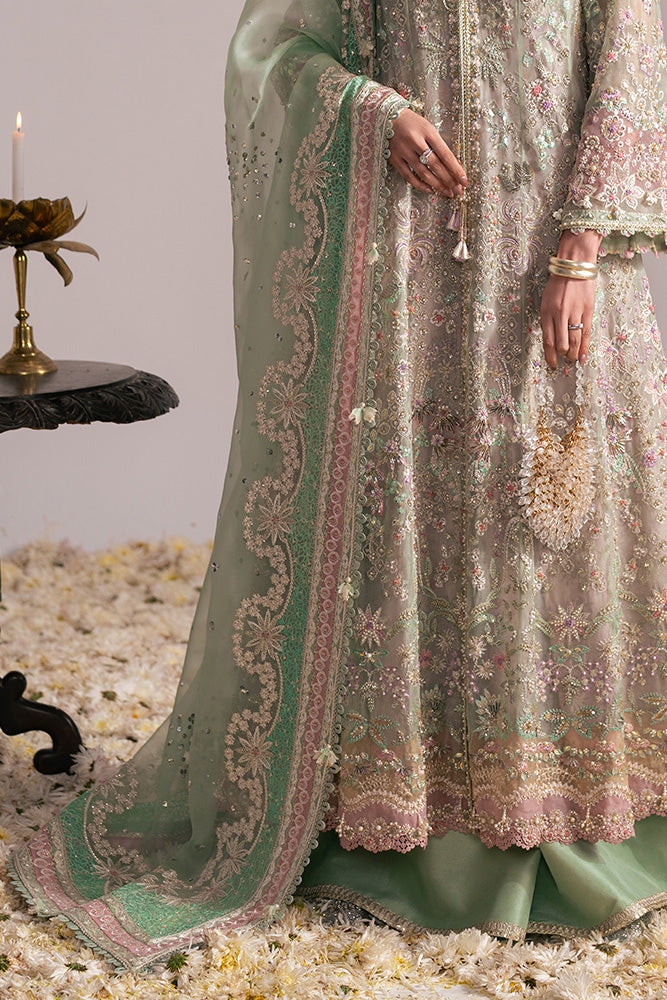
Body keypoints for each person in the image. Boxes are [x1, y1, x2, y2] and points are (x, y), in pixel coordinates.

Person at [8, 0, 667, 971]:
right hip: (402, 269)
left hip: (550, 255)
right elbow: (276, 45)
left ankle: (564, 810)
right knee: (409, 519)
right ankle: (403, 812)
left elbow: (630, 64)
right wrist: (368, 108)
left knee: (543, 521)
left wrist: (580, 249)